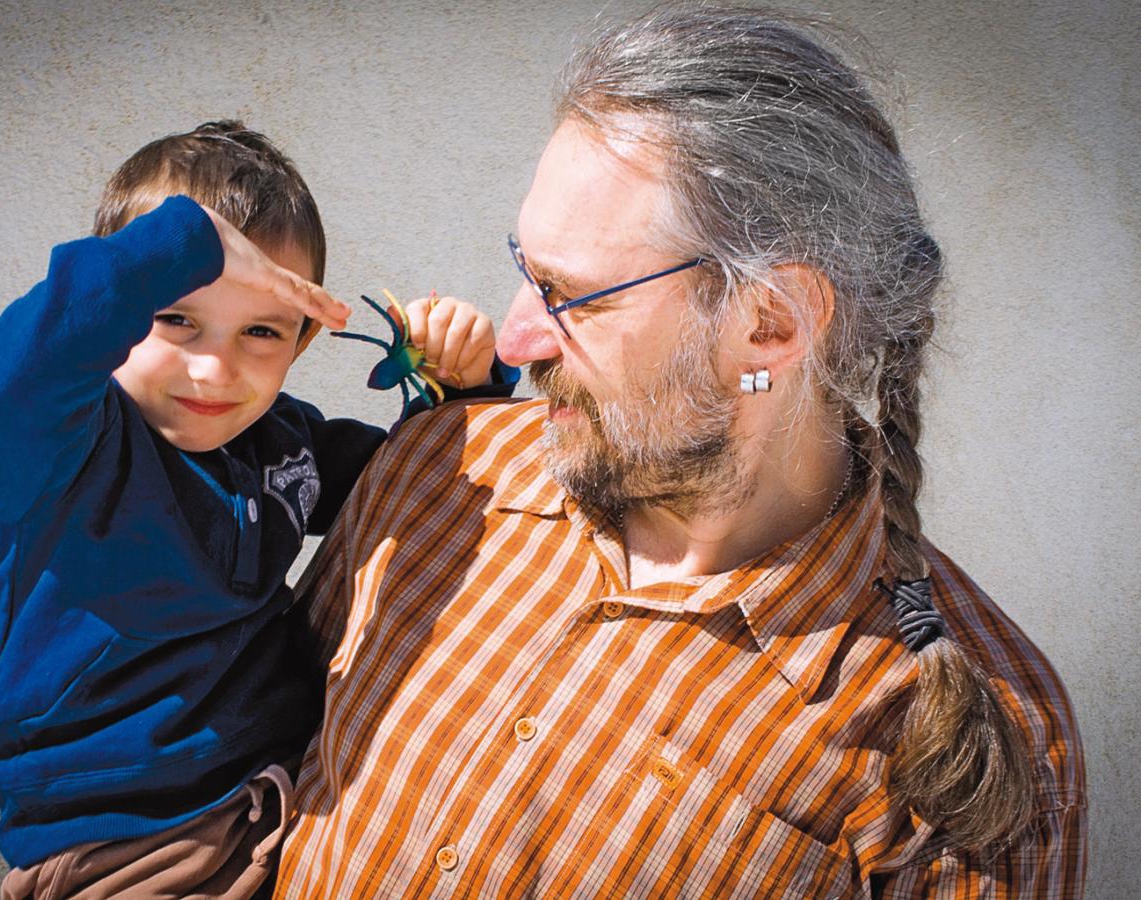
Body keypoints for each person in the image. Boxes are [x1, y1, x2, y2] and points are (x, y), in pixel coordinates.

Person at [275, 8, 1086, 897]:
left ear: (770, 324)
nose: (515, 340)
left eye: (573, 296)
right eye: (526, 268)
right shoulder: (438, 473)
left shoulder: (968, 736)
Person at [0, 120, 515, 899]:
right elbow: (6, 377)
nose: (215, 368)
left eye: (260, 331)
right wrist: (180, 245)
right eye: (176, 319)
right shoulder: (64, 450)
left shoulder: (284, 443)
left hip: (279, 802)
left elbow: (408, 487)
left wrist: (463, 387)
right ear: (118, 315)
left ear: (301, 341)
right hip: (125, 844)